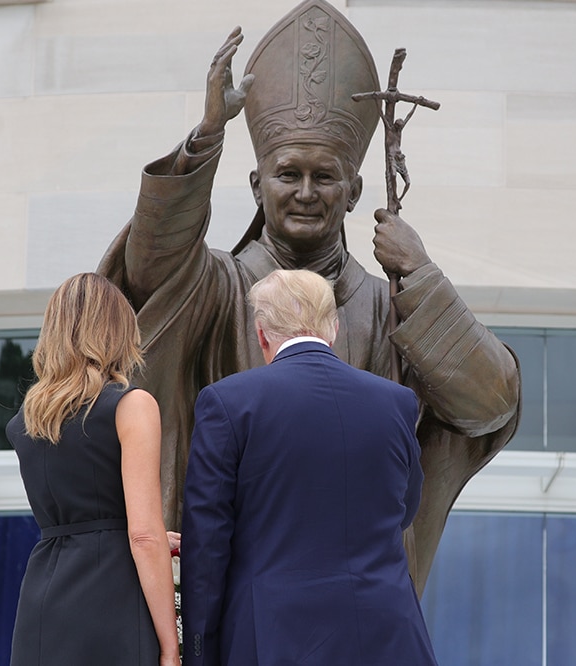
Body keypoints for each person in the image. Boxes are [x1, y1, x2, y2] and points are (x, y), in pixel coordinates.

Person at [98, 0, 520, 595]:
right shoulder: (214, 286)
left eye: (324, 177)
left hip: (355, 602)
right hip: (231, 591)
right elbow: (148, 268)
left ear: (352, 192)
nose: (304, 192)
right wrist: (206, 137)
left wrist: (420, 276)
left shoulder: (388, 305)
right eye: (287, 173)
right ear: (256, 183)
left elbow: (491, 404)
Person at [180, 269, 438, 665]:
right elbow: (405, 505)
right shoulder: (395, 403)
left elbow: (207, 548)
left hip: (274, 638)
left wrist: (199, 652)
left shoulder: (228, 403)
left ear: (261, 333)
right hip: (388, 637)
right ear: (333, 328)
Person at [5, 273, 180, 666]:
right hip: (112, 602)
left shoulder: (24, 424)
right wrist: (170, 647)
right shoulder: (131, 406)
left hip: (41, 604)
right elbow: (144, 537)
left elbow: (82, 514)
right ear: (119, 332)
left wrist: (127, 530)